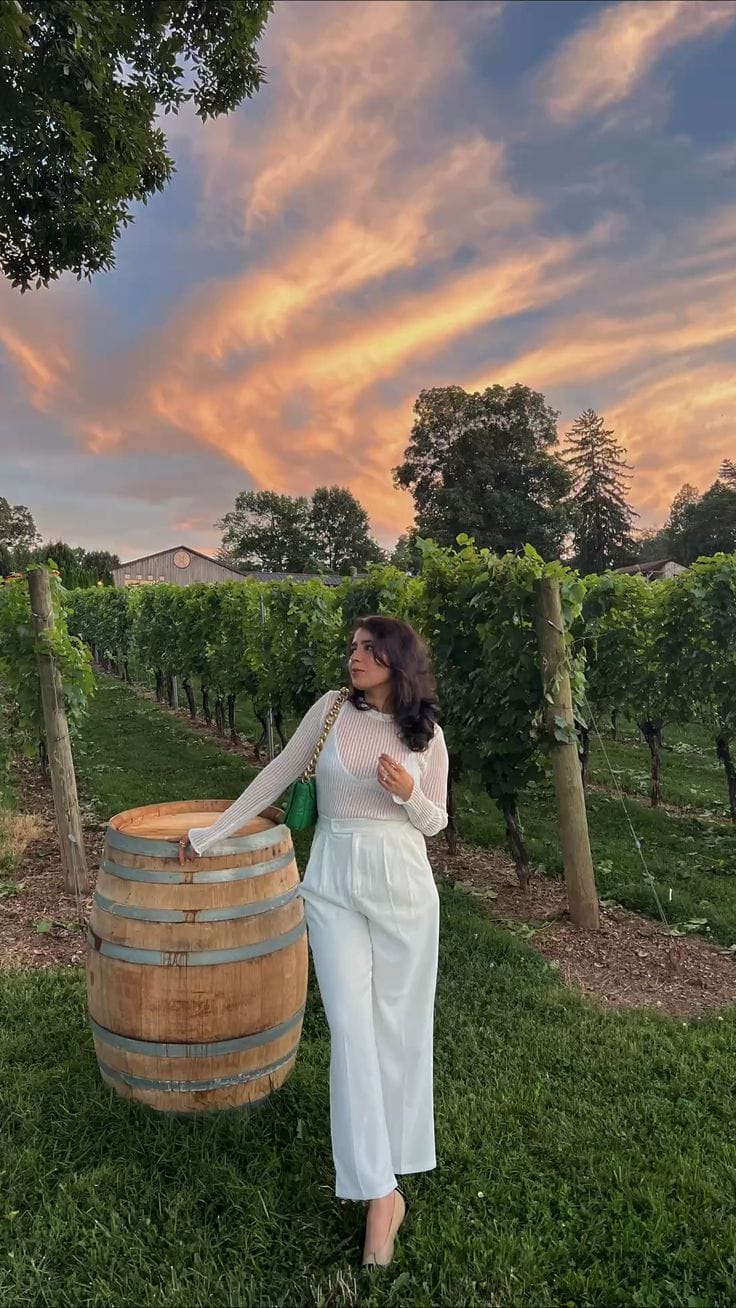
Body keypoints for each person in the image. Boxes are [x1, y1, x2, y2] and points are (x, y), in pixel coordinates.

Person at [178, 614, 449, 1270]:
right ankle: (381, 1193)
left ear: (396, 659)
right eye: (352, 647)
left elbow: (437, 822)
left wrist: (410, 793)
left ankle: (395, 1163)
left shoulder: (426, 733)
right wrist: (212, 835)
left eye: (367, 648)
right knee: (353, 1032)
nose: (353, 657)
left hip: (403, 885)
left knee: (399, 1030)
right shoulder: (330, 709)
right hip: (332, 882)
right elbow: (278, 771)